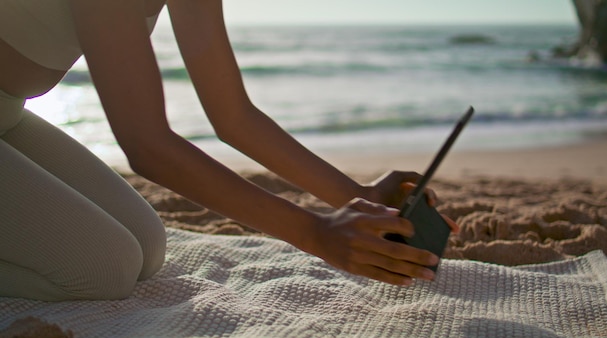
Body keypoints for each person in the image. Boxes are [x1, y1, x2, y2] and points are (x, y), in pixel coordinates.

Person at [0, 0, 457, 301]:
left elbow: (233, 116)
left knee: (147, 247)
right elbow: (147, 145)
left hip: (10, 115)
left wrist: (357, 195)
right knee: (102, 270)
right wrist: (315, 233)